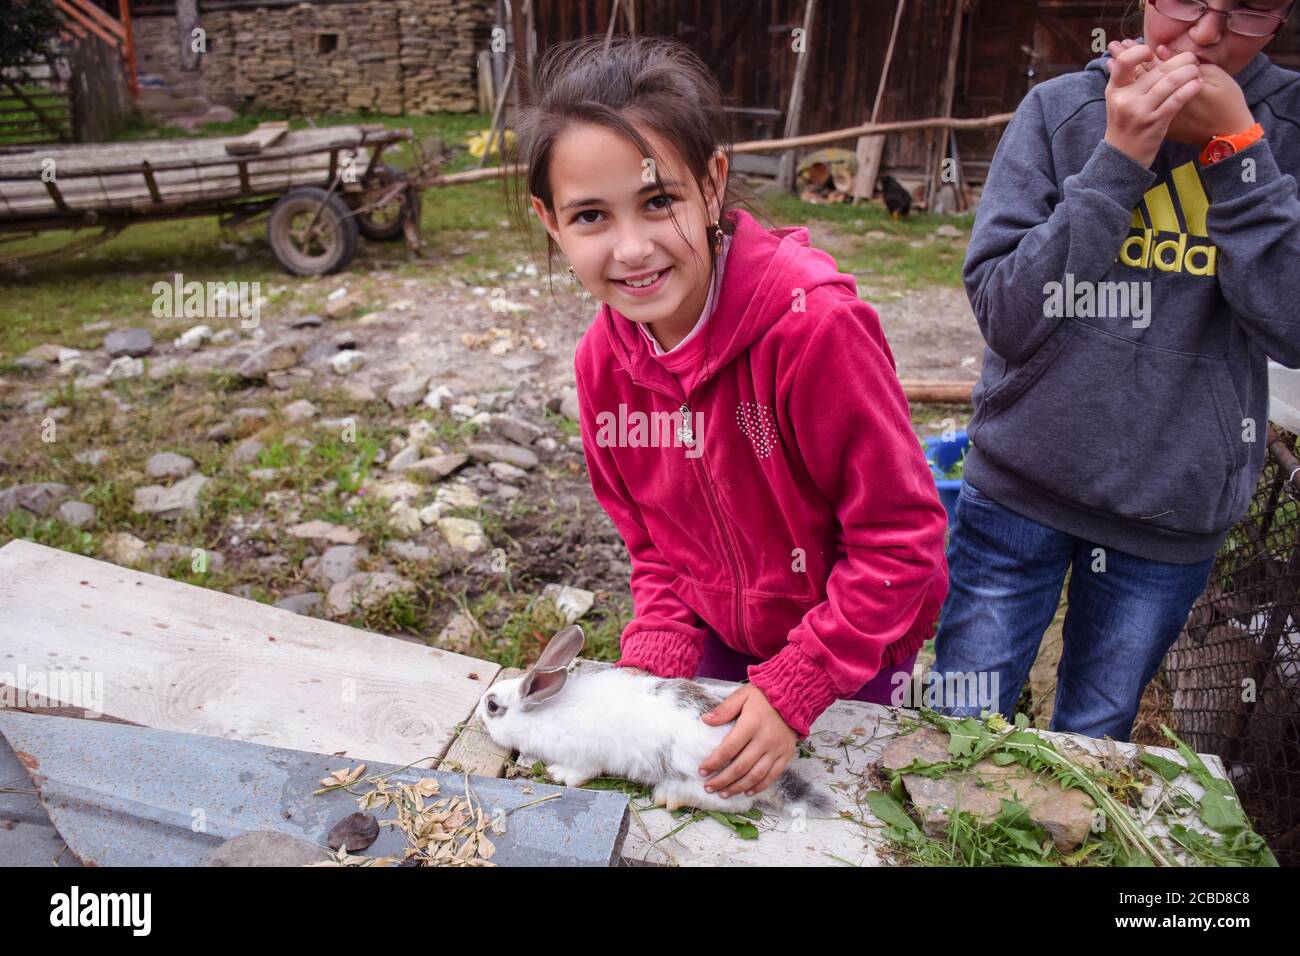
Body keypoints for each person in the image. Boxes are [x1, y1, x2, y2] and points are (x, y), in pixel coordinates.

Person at [508, 35, 949, 800]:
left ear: (712, 184)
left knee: (831, 815)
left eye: (658, 200)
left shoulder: (812, 332)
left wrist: (797, 686)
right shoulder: (602, 368)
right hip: (720, 636)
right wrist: (657, 649)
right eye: (590, 216)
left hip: (852, 643)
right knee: (715, 812)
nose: (633, 247)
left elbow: (898, 542)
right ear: (550, 221)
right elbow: (654, 544)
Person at [935, 0, 1300, 741]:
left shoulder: (1289, 130)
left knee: (1095, 743)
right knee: (958, 729)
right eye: (1188, 2)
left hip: (1168, 515)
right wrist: (1120, 158)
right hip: (1018, 491)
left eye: (1246, 10)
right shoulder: (1060, 110)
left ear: (1284, 15)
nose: (1203, 34)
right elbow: (1007, 312)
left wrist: (1237, 152)